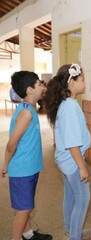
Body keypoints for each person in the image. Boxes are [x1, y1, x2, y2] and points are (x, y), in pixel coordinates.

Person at [1, 71, 52, 240]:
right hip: (22, 171)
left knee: (26, 206)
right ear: (30, 90)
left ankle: (28, 234)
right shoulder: (26, 113)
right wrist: (5, 165)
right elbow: (11, 144)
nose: (42, 86)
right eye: (39, 84)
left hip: (29, 168)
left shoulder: (29, 108)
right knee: (23, 210)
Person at [43, 64, 91, 240]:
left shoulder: (65, 104)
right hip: (72, 162)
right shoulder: (70, 106)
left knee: (71, 195)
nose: (85, 82)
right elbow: (72, 143)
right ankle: (74, 236)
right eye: (82, 79)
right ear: (72, 81)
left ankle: (71, 230)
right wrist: (82, 167)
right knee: (83, 199)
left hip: (65, 161)